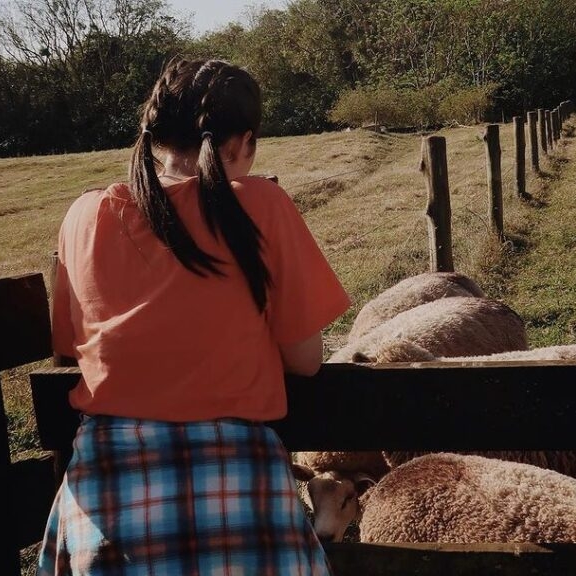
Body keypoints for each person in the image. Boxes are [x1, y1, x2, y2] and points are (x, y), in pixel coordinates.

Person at [37, 58, 350, 575]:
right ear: (240, 143)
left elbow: (72, 346)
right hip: (239, 483)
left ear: (153, 134)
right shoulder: (262, 205)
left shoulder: (85, 214)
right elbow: (307, 360)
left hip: (108, 487)